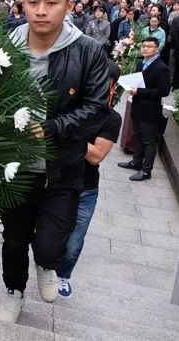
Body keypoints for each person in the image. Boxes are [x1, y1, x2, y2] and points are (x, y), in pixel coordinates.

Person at [0, 0, 109, 324]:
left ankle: (47, 263)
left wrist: (52, 127)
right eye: (32, 2)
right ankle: (13, 291)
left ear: (69, 4)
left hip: (62, 168)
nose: (41, 11)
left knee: (49, 242)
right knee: (14, 241)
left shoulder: (88, 50)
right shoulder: (4, 47)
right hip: (14, 167)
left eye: (51, 2)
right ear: (23, 3)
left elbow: (96, 110)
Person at [57, 62, 122, 298]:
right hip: (58, 183)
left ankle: (63, 275)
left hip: (86, 189)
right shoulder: (69, 106)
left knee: (74, 243)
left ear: (112, 87)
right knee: (49, 236)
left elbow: (96, 156)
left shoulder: (112, 119)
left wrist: (69, 132)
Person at [117, 36, 171, 181]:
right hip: (137, 106)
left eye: (149, 46)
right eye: (143, 46)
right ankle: (136, 161)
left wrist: (139, 92)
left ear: (157, 48)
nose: (145, 48)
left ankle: (146, 170)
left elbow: (164, 90)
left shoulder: (161, 67)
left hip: (150, 110)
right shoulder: (141, 64)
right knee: (138, 137)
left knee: (149, 140)